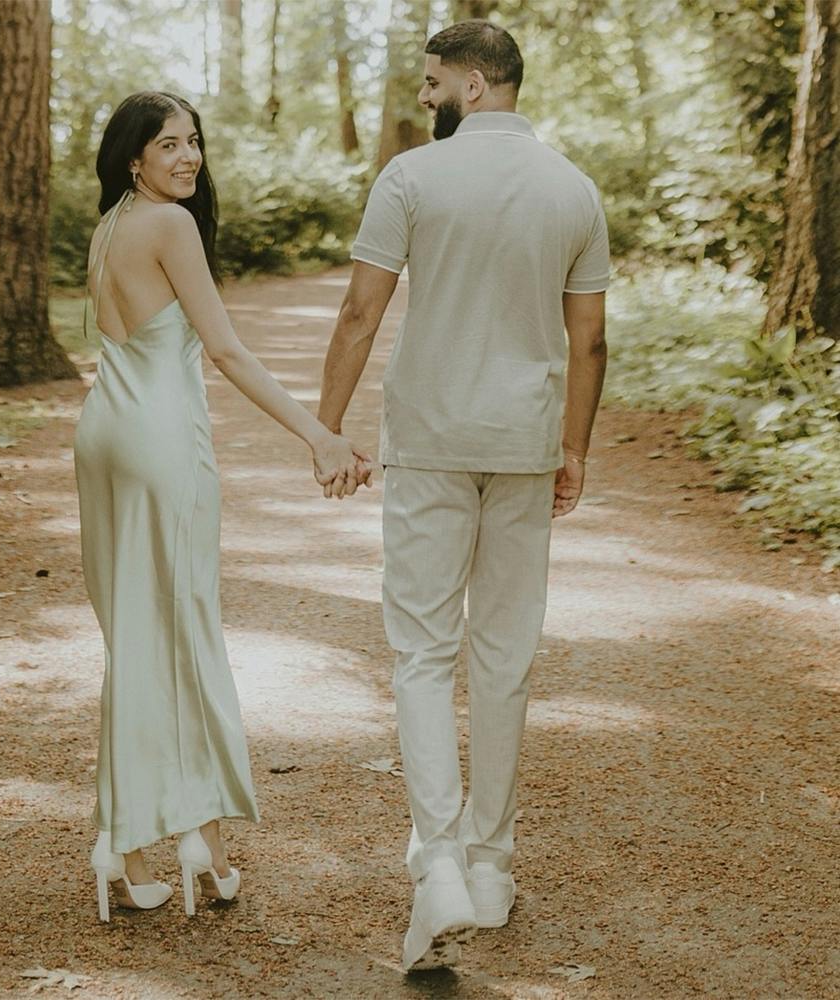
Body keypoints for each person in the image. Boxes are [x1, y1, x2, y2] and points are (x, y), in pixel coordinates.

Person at [318, 19, 609, 971]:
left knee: (419, 652)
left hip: (432, 443)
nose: (428, 97)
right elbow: (589, 343)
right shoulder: (574, 188)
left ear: (476, 86)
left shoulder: (411, 177)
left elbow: (362, 311)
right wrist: (574, 447)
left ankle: (437, 858)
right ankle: (490, 863)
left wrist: (329, 425)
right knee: (505, 654)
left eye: (437, 82)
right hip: (524, 447)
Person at [75, 91, 367, 923]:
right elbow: (228, 350)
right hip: (161, 444)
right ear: (133, 156)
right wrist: (320, 435)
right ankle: (201, 840)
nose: (187, 157)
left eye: (194, 141)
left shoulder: (112, 224)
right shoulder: (170, 226)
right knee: (185, 637)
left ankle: (126, 851)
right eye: (168, 144)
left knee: (135, 640)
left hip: (103, 435)